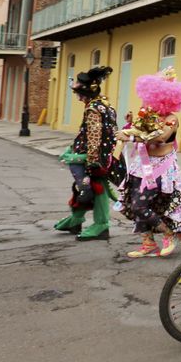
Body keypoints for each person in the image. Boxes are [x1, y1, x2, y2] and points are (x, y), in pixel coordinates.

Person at [116, 68, 181, 258]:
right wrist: (130, 126)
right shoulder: (148, 117)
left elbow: (160, 138)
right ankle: (148, 242)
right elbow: (140, 131)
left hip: (161, 168)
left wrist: (131, 138)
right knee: (134, 202)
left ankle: (168, 233)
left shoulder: (171, 120)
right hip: (141, 166)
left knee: (141, 205)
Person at [54, 66, 124, 241]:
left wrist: (92, 161)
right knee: (82, 188)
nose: (77, 97)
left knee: (96, 189)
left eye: (79, 93)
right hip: (103, 155)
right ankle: (76, 219)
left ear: (86, 92)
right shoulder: (104, 104)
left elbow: (94, 136)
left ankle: (101, 225)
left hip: (97, 158)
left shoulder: (93, 109)